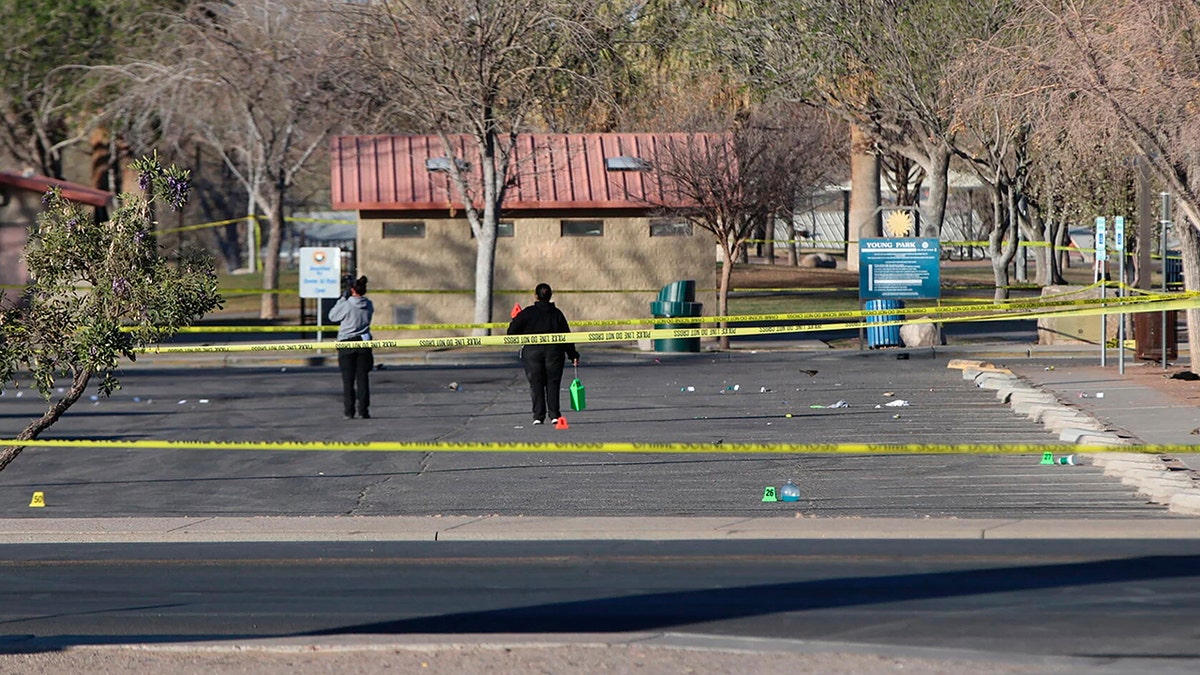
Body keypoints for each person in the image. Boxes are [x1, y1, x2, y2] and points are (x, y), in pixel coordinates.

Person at [507, 283, 580, 426]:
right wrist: (573, 355)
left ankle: (538, 416)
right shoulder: (557, 313)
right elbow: (566, 335)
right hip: (554, 352)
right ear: (550, 296)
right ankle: (554, 415)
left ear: (536, 296)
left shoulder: (527, 313)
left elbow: (511, 333)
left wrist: (515, 317)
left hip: (532, 353)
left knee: (536, 383)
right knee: (553, 383)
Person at [329, 275, 374, 419]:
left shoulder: (347, 304)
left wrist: (343, 298)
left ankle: (349, 411)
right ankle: (364, 410)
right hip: (363, 343)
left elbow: (332, 316)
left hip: (346, 343)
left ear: (352, 290)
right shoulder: (369, 304)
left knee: (348, 380)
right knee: (363, 378)